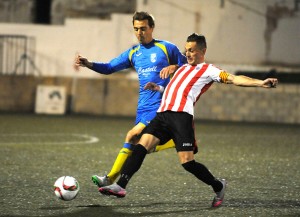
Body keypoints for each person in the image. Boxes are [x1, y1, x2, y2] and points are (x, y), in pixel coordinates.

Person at [98, 33, 278, 207]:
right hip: (162, 115)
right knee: (140, 146)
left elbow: (234, 78)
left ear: (203, 51)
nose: (188, 54)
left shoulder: (210, 70)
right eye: (186, 50)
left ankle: (218, 186)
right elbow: (176, 89)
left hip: (181, 117)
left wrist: (260, 83)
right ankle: (120, 186)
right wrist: (159, 89)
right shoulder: (182, 68)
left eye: (192, 50)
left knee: (187, 163)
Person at [74, 11, 187, 187]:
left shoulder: (167, 48)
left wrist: (175, 66)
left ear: (152, 28)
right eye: (136, 29)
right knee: (138, 145)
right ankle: (174, 141)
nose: (139, 33)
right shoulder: (133, 53)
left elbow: (188, 68)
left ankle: (110, 179)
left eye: (143, 29)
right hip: (142, 107)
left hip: (160, 104)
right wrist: (89, 64)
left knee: (132, 135)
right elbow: (110, 67)